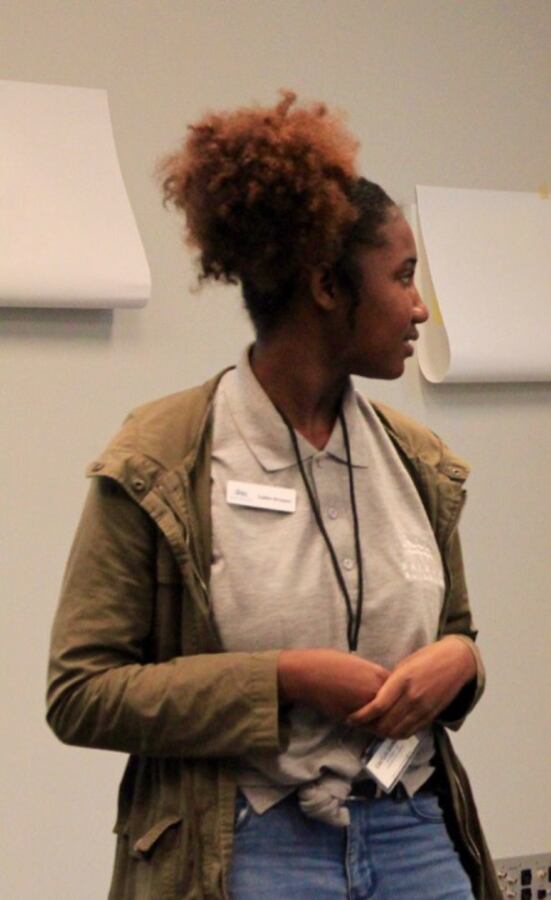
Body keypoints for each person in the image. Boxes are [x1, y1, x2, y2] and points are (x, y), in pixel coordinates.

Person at [46, 93, 493, 899]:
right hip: (246, 845)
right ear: (326, 286)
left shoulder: (419, 462)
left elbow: (453, 631)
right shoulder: (162, 458)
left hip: (412, 830)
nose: (420, 306)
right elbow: (82, 693)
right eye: (402, 277)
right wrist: (283, 677)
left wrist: (461, 661)